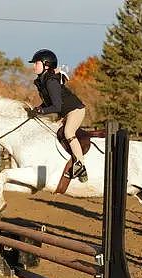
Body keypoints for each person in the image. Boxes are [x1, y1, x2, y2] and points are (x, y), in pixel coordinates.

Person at [29, 49, 88, 182]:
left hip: (75, 110)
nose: (33, 66)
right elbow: (49, 103)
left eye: (36, 63)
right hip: (65, 111)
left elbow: (57, 107)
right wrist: (38, 109)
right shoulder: (42, 81)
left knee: (68, 132)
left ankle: (81, 165)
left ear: (46, 65)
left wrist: (41, 112)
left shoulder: (51, 81)